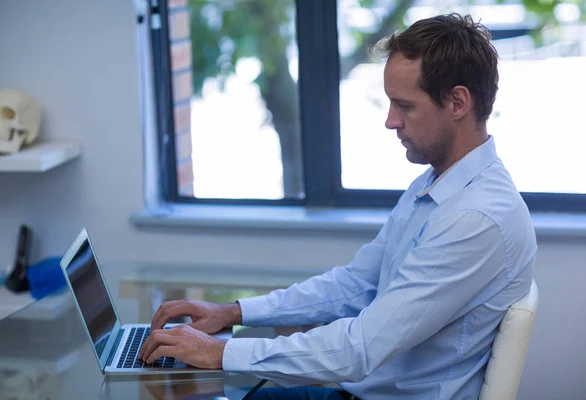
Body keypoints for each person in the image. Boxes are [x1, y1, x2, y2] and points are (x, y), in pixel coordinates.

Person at [139, 13, 536, 399]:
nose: (391, 121)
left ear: (457, 102)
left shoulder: (475, 218)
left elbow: (360, 348)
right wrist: (236, 312)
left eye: (405, 106)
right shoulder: (438, 184)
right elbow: (357, 283)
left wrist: (221, 352)